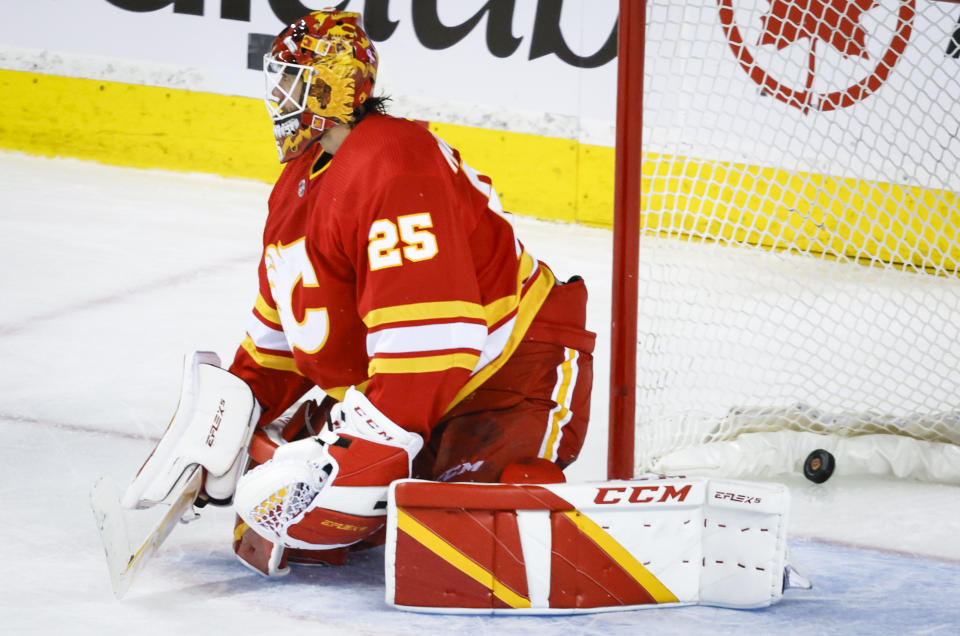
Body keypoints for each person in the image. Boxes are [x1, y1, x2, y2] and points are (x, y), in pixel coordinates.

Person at [214, 8, 596, 576]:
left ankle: (497, 487)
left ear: (334, 87)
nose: (281, 95)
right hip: (417, 392)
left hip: (510, 374)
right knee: (288, 500)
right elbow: (284, 333)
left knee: (466, 544)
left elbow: (436, 339)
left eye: (295, 80)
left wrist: (370, 446)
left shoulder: (395, 159)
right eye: (280, 79)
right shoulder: (297, 184)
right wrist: (226, 418)